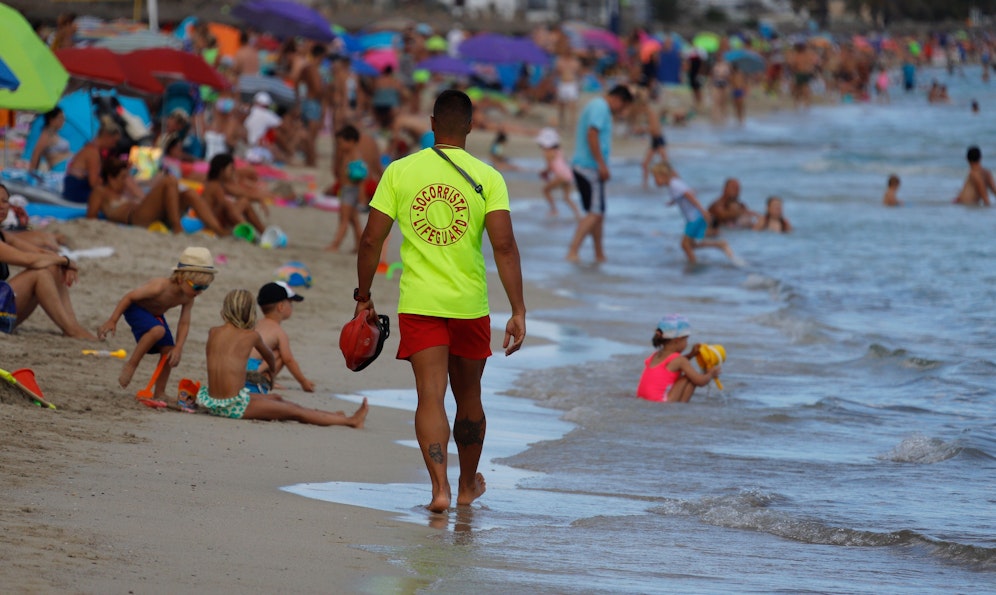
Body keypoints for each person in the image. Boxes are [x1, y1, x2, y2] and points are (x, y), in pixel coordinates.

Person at [354, 89, 527, 513]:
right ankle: (467, 486)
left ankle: (439, 491)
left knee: (429, 395)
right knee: (469, 396)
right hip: (469, 304)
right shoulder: (489, 177)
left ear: (432, 124)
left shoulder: (400, 171)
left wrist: (363, 297)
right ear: (470, 125)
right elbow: (504, 247)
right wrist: (518, 310)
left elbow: (372, 238)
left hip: (420, 302)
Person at [198, 288, 368, 426]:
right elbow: (271, 358)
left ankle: (331, 415)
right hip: (233, 407)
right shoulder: (251, 336)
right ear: (250, 312)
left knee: (277, 399)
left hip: (213, 401)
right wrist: (271, 374)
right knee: (295, 411)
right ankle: (350, 420)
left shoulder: (214, 332)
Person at [97, 247, 216, 401]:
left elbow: (184, 322)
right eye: (197, 287)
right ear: (181, 278)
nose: (200, 292)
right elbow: (129, 297)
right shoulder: (160, 286)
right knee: (158, 330)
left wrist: (178, 347)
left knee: (168, 350)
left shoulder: (188, 297)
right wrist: (113, 320)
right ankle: (131, 365)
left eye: (205, 287)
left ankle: (160, 392)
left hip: (155, 316)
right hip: (135, 308)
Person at [0, 184, 95, 339]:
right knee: (40, 273)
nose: (1, 206)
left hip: (2, 306)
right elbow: (29, 260)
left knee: (51, 267)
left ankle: (72, 326)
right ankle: (71, 330)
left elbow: (39, 252)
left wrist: (63, 262)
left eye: (4, 201)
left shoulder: (4, 235)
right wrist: (65, 261)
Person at [566, 85, 634, 263]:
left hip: (587, 166)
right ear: (618, 99)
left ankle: (599, 254)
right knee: (595, 213)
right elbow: (592, 134)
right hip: (589, 167)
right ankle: (573, 251)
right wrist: (601, 165)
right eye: (624, 106)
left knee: (598, 213)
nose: (622, 111)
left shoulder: (597, 106)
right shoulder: (601, 107)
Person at [86, 158, 221, 233]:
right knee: (170, 180)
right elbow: (91, 217)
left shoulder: (126, 189)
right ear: (111, 178)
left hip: (148, 213)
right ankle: (177, 227)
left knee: (190, 194)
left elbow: (143, 199)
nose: (126, 180)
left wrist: (133, 188)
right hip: (135, 218)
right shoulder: (101, 191)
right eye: (122, 177)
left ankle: (217, 230)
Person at [652, 162, 740, 264]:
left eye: (655, 178)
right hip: (692, 218)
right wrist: (673, 201)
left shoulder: (674, 185)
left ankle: (693, 264)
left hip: (695, 218)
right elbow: (686, 192)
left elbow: (689, 195)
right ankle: (719, 245)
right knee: (690, 245)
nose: (655, 181)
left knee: (685, 245)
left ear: (663, 176)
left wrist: (703, 211)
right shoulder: (673, 183)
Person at [246, 281, 315, 394]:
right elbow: (289, 360)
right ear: (281, 306)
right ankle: (266, 380)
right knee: (280, 354)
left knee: (271, 352)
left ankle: (258, 376)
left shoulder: (255, 324)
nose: (292, 307)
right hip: (252, 370)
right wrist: (303, 382)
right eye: (290, 303)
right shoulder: (279, 332)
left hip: (238, 366)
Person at [636, 314, 720, 403]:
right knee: (689, 378)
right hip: (661, 402)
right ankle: (682, 405)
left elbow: (673, 364)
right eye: (686, 340)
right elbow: (700, 381)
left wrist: (691, 354)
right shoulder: (680, 360)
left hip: (642, 397)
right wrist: (711, 374)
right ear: (677, 340)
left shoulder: (656, 355)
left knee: (686, 376)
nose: (686, 343)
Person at [62, 117, 121, 204]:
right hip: (76, 191)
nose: (114, 145)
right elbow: (93, 183)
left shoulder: (91, 148)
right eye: (114, 141)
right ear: (106, 136)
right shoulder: (93, 153)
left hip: (72, 188)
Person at [326, 125, 366, 252]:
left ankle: (336, 244)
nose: (340, 146)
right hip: (347, 190)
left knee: (343, 219)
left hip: (350, 191)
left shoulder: (354, 155)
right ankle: (360, 245)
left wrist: (361, 194)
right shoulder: (348, 154)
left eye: (341, 143)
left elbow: (360, 176)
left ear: (351, 141)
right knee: (354, 220)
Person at [536, 127, 580, 219]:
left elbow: (550, 167)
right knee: (566, 197)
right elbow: (563, 162)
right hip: (569, 174)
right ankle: (578, 214)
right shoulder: (559, 150)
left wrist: (543, 172)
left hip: (561, 176)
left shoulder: (547, 153)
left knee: (546, 190)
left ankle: (554, 210)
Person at [28, 108, 72, 172]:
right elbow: (36, 153)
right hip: (60, 169)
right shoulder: (46, 134)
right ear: (51, 120)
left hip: (66, 168)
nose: (62, 121)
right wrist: (32, 172)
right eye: (60, 118)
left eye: (63, 118)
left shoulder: (53, 133)